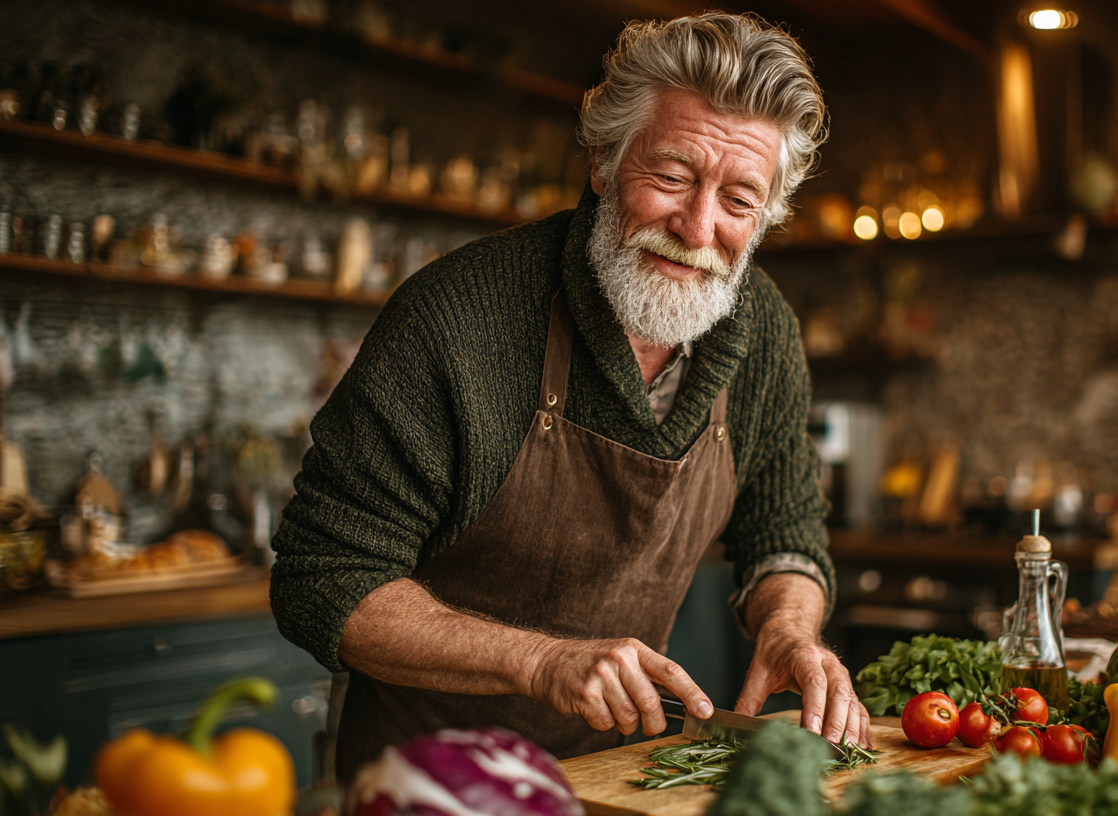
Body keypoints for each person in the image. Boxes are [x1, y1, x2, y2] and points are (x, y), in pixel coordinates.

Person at [269, 12, 869, 781]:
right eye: (672, 176)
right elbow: (324, 577)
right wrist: (538, 660)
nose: (698, 226)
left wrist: (790, 630)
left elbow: (784, 531)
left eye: (739, 198)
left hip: (621, 783)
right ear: (603, 163)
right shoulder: (458, 319)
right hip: (425, 783)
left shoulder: (762, 331)